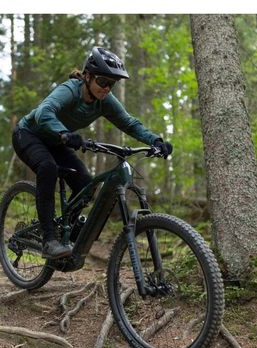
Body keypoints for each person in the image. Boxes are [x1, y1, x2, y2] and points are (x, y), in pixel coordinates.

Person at [12, 46, 172, 260]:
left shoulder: (105, 101)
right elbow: (44, 112)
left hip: (57, 142)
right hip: (28, 134)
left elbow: (128, 123)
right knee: (48, 168)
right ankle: (49, 239)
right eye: (102, 81)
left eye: (111, 84)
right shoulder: (70, 90)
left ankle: (64, 231)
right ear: (87, 76)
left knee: (85, 184)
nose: (106, 88)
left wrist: (155, 140)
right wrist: (64, 133)